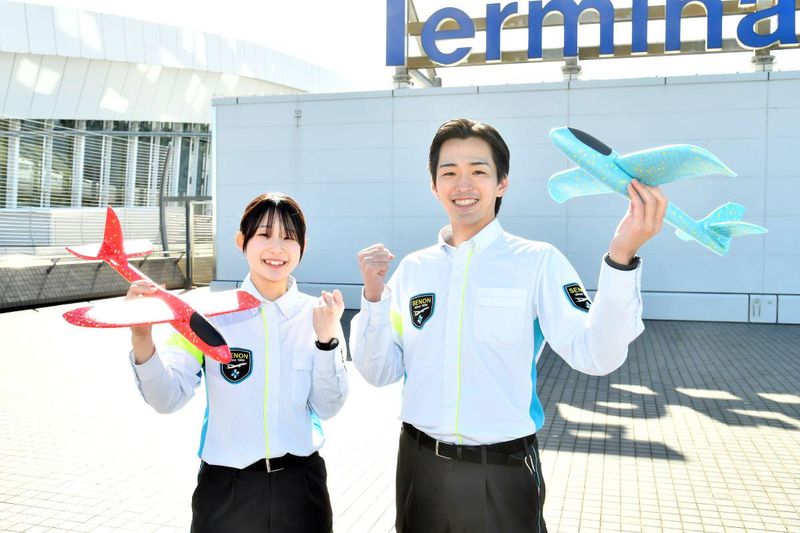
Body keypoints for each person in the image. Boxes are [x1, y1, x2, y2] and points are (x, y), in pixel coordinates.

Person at [349, 119, 668, 533]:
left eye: (478, 171)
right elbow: (380, 372)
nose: (463, 184)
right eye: (449, 172)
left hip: (502, 471)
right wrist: (373, 298)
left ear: (502, 183)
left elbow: (596, 355)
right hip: (418, 468)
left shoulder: (536, 261)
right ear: (434, 186)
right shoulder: (414, 269)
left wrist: (621, 257)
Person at [127, 192, 348, 533]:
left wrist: (325, 342)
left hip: (301, 489)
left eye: (289, 238)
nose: (276, 248)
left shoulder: (319, 315)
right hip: (226, 491)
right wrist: (142, 338)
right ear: (241, 241)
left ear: (303, 247)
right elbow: (167, 398)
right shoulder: (206, 315)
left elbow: (328, 406)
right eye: (264, 235)